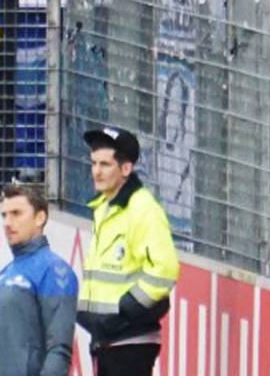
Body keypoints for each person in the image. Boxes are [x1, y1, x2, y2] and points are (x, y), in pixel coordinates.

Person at [77, 125, 179, 375]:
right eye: (94, 164)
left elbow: (164, 269)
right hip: (109, 339)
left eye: (105, 165)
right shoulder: (106, 207)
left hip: (129, 341)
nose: (96, 172)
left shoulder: (142, 209)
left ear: (125, 168)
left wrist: (128, 308)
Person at [0, 179, 78, 376]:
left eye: (16, 214)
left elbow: (59, 350)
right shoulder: (3, 275)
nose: (7, 223)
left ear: (40, 218)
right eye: (4, 215)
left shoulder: (55, 271)